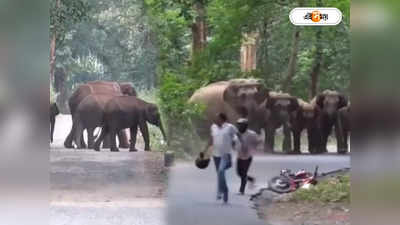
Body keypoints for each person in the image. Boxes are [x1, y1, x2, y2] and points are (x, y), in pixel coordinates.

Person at [204, 113, 239, 204]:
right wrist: (205, 150)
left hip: (225, 154)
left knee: (220, 171)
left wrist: (235, 143)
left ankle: (219, 191)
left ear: (222, 119)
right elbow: (211, 139)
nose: (215, 120)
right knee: (220, 174)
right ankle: (225, 190)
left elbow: (236, 135)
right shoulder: (213, 127)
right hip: (215, 155)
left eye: (217, 118)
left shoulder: (230, 127)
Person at [235, 118, 259, 195]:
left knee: (244, 173)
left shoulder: (251, 134)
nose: (239, 127)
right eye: (238, 125)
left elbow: (257, 142)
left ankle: (241, 190)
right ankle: (251, 179)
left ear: (245, 126)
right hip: (239, 156)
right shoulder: (236, 134)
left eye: (241, 125)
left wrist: (253, 148)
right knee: (239, 173)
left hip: (247, 156)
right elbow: (235, 143)